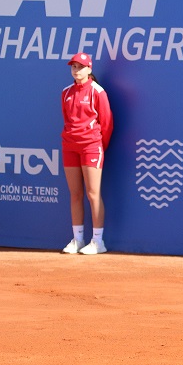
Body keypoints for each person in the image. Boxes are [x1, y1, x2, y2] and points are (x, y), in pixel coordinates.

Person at [60, 52, 113, 255]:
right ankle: (78, 240)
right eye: (73, 67)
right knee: (75, 194)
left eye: (80, 67)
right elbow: (67, 119)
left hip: (91, 146)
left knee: (93, 194)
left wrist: (98, 145)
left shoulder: (98, 92)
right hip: (69, 146)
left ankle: (98, 241)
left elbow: (106, 123)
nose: (76, 70)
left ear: (89, 69)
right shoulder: (65, 93)